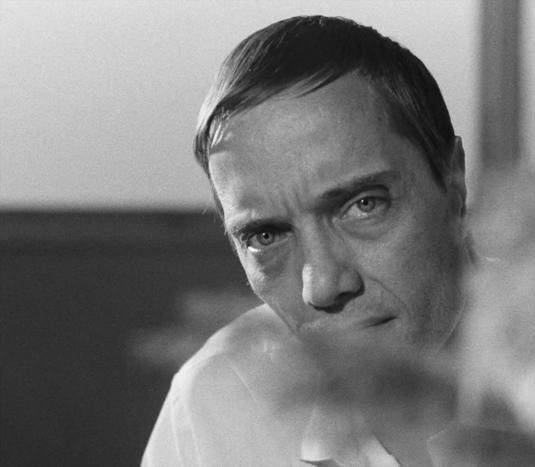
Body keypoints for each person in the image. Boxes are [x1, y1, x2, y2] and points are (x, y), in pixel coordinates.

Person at [142, 15, 472, 467]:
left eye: (363, 205)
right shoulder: (215, 402)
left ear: (454, 185)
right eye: (266, 236)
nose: (322, 286)